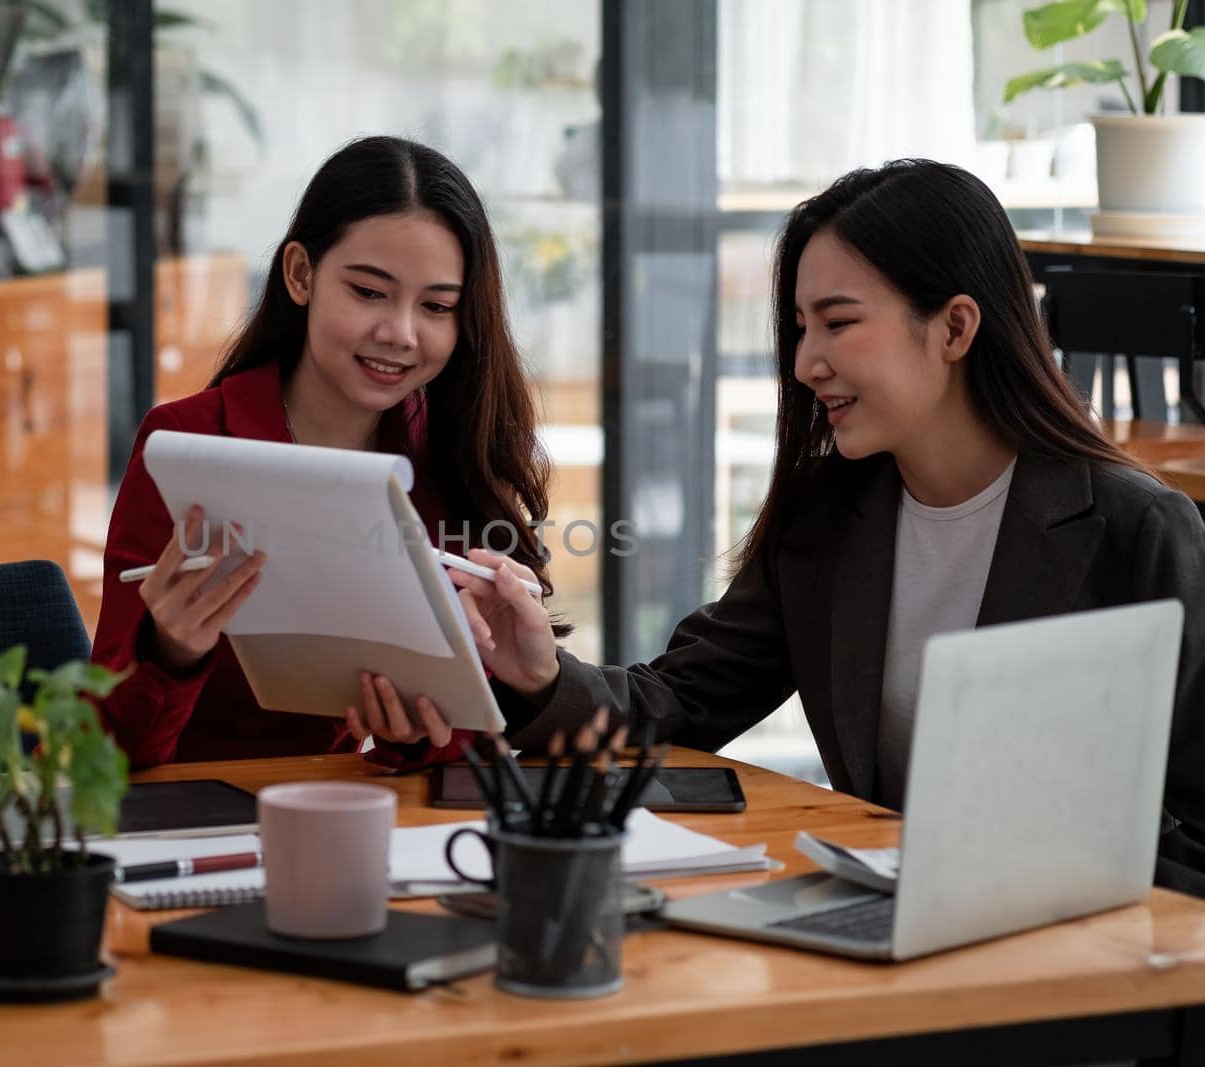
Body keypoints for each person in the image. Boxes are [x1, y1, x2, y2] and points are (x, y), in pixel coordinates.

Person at [447, 158, 1205, 893]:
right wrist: (541, 674)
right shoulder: (825, 524)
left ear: (955, 327)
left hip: (1087, 958)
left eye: (838, 323)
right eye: (801, 327)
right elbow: (679, 704)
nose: (807, 362)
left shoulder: (1137, 531)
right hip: (889, 927)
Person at [94, 135, 562, 769]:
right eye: (369, 293)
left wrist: (420, 735)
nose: (399, 334)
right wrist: (169, 652)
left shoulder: (454, 456)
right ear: (300, 274)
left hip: (348, 814)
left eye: (437, 307)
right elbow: (99, 753)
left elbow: (463, 750)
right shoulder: (191, 445)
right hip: (181, 819)